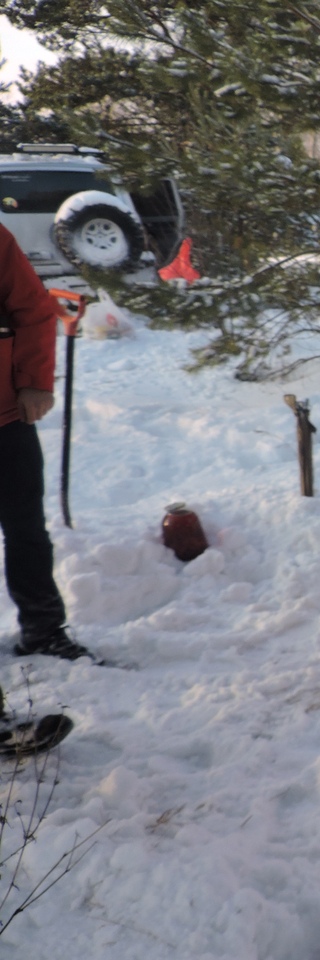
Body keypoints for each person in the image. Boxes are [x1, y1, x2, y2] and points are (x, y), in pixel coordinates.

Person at [1, 222, 93, 661]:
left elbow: (34, 310)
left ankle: (43, 630)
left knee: (27, 531)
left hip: (4, 416)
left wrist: (35, 382)